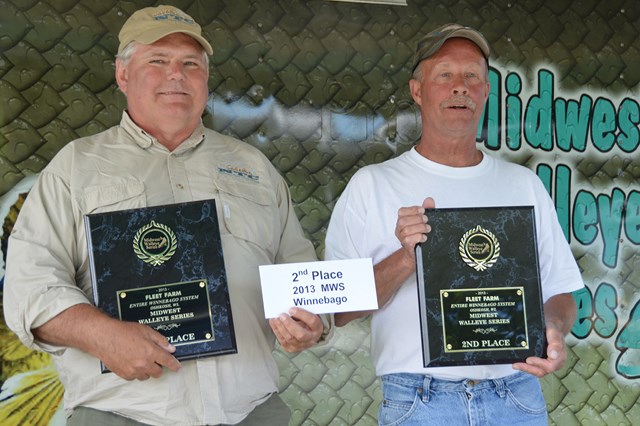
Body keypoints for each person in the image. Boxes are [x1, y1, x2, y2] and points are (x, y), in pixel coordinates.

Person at [3, 5, 332, 426]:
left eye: (190, 64)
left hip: (251, 412)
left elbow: (300, 273)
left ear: (206, 78)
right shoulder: (74, 168)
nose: (176, 75)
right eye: (157, 61)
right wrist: (104, 336)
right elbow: (30, 288)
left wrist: (312, 321)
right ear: (123, 75)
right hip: (123, 414)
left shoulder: (254, 168)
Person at [325, 24, 584, 425]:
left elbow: (560, 292)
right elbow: (338, 310)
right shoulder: (372, 185)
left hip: (515, 395)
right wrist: (407, 259)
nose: (460, 86)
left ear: (486, 91)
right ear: (417, 90)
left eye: (472, 76)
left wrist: (552, 327)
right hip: (419, 401)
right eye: (444, 74)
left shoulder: (523, 185)